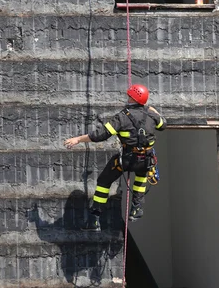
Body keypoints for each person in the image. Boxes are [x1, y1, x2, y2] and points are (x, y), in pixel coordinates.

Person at [64, 84, 167, 231]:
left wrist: (78, 139)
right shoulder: (151, 114)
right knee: (141, 177)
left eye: (129, 96)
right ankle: (136, 210)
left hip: (126, 160)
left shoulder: (122, 117)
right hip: (146, 160)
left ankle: (95, 217)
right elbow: (163, 125)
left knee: (104, 181)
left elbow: (100, 135)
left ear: (132, 98)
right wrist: (154, 111)